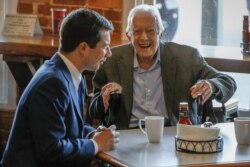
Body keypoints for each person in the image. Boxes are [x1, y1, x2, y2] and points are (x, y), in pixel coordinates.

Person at [1, 8, 119, 167]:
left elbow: (70, 127)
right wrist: (96, 145)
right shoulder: (51, 84)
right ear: (83, 48)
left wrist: (93, 134)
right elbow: (51, 150)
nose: (109, 53)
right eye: (105, 47)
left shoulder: (73, 73)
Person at [89, 4, 237, 130]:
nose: (144, 37)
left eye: (151, 31)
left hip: (174, 135)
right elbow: (93, 111)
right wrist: (104, 99)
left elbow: (228, 82)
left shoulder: (186, 57)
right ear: (129, 35)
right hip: (126, 136)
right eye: (137, 31)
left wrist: (212, 84)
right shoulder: (111, 60)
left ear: (161, 33)